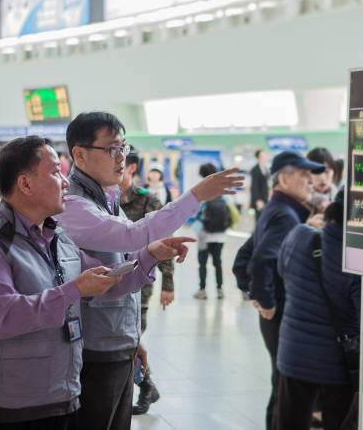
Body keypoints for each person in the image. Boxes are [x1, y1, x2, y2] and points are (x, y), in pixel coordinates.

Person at [0, 135, 190, 429]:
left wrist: (149, 255)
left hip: (63, 398)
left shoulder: (59, 239)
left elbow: (107, 281)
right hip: (7, 409)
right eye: (55, 172)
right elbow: (4, 317)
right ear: (25, 184)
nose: (65, 182)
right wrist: (72, 291)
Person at [55, 111, 243, 430]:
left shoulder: (106, 198)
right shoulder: (74, 204)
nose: (121, 158)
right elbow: (132, 235)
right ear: (80, 154)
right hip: (92, 351)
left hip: (116, 342)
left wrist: (131, 336)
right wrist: (195, 196)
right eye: (112, 149)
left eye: (124, 148)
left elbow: (116, 268)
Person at [233, 150, 325, 430]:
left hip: (275, 314)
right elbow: (260, 259)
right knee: (286, 391)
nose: (311, 181)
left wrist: (252, 292)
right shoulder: (286, 216)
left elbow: (242, 258)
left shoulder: (277, 209)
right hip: (282, 313)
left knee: (281, 385)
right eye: (304, 175)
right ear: (283, 179)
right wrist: (267, 301)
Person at [273, 190, 359, 430]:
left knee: (289, 421)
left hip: (293, 354)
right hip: (337, 363)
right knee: (337, 420)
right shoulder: (355, 260)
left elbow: (282, 270)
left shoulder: (299, 235)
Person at [119, 148, 174, 415]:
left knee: (131, 336)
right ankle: (145, 385)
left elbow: (164, 242)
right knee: (122, 338)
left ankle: (144, 385)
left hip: (141, 280)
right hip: (108, 279)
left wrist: (168, 285)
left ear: (130, 168)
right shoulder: (102, 200)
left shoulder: (146, 200)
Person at [193, 162, 231, 301]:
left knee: (203, 263)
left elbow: (196, 211)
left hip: (204, 234)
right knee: (218, 262)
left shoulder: (202, 190)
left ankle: (202, 290)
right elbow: (230, 210)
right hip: (220, 235)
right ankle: (220, 290)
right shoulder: (222, 190)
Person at [306, 147, 338, 213]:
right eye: (317, 172)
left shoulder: (339, 198)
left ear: (333, 172)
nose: (322, 178)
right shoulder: (302, 201)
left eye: (327, 171)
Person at [250, 150, 270, 223]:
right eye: (262, 156)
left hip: (266, 198)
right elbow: (254, 186)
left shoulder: (266, 168)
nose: (265, 157)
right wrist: (258, 200)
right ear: (258, 158)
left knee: (265, 219)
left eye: (265, 155)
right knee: (259, 219)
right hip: (259, 199)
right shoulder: (255, 170)